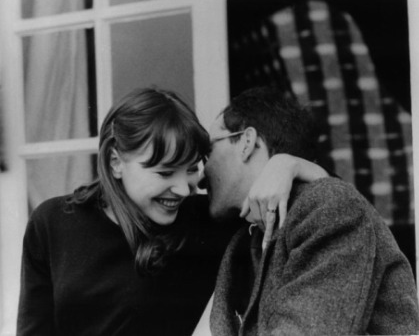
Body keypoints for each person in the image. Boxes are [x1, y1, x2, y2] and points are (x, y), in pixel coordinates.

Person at [16, 87, 329, 336]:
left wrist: (288, 165)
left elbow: (331, 207)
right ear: (115, 161)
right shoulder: (52, 222)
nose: (183, 189)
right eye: (165, 173)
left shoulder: (208, 221)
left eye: (191, 169)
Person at [203, 86, 419, 335]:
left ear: (246, 142)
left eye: (208, 151)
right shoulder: (244, 239)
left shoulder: (327, 208)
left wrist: (295, 167)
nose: (202, 174)